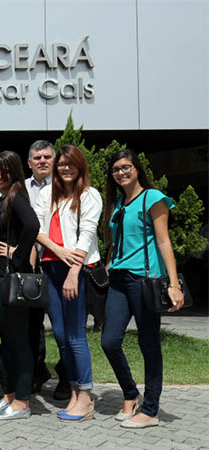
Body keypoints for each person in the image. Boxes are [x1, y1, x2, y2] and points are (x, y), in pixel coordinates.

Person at [100, 149, 183, 429]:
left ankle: (150, 410)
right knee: (109, 341)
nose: (121, 173)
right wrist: (110, 263)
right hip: (119, 281)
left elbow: (163, 241)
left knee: (149, 345)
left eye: (126, 167)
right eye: (115, 170)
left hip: (144, 280)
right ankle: (131, 394)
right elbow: (116, 241)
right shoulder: (119, 204)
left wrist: (173, 284)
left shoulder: (152, 198)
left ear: (136, 168)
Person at [34, 144, 102, 422]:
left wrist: (73, 269)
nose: (65, 168)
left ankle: (85, 396)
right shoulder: (46, 193)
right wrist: (57, 251)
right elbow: (36, 229)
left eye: (70, 164)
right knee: (60, 336)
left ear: (80, 166)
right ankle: (74, 389)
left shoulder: (89, 194)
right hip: (50, 267)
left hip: (76, 269)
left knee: (75, 336)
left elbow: (86, 233)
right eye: (61, 164)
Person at [0, 151, 39, 420]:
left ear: (13, 172)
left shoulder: (16, 198)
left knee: (17, 342)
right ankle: (9, 394)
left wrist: (17, 255)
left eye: (3, 170)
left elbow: (33, 226)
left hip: (10, 280)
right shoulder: (0, 200)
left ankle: (23, 402)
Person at [25, 140, 56, 394]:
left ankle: (67, 378)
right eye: (37, 158)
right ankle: (38, 371)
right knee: (33, 326)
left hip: (58, 263)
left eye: (47, 157)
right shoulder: (21, 188)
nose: (42, 161)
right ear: (29, 162)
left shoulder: (63, 187)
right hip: (29, 267)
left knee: (63, 326)